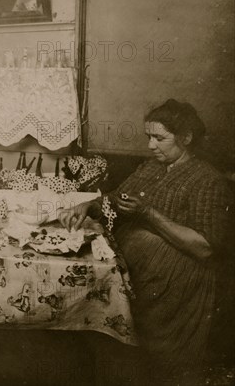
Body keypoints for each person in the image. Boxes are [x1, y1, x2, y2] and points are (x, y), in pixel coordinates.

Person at [58, 99, 233, 381]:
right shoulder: (151, 168)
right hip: (140, 269)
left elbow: (204, 248)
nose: (151, 145)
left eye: (159, 138)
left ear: (186, 138)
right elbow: (115, 200)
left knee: (153, 365)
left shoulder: (207, 180)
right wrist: (89, 206)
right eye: (148, 137)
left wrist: (148, 213)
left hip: (178, 283)